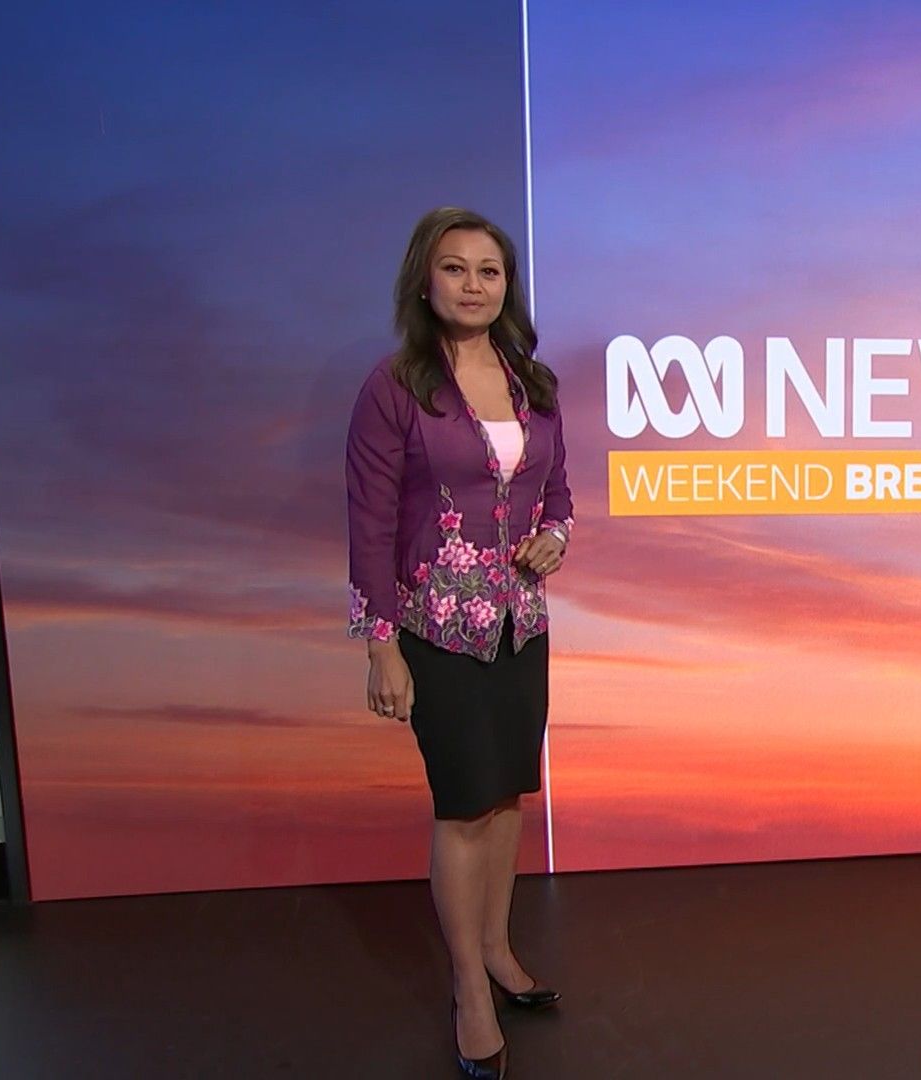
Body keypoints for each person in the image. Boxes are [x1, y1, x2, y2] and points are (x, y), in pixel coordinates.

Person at [347, 206, 572, 1077]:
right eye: (455, 268)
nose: (473, 285)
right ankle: (468, 989)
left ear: (506, 285)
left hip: (522, 624)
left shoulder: (532, 383)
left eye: (489, 270)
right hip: (435, 628)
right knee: (463, 804)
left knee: (507, 796)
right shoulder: (395, 386)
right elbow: (369, 521)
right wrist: (380, 644)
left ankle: (498, 950)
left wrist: (556, 537)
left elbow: (560, 494)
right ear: (424, 280)